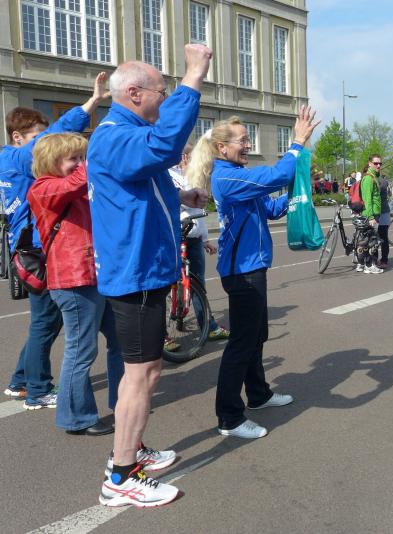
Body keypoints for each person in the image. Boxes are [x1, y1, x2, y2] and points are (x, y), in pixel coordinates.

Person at [88, 45, 212, 507]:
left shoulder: (127, 133)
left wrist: (183, 198)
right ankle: (121, 475)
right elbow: (162, 147)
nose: (166, 97)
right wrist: (193, 77)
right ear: (135, 93)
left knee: (140, 370)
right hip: (135, 273)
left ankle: (131, 448)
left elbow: (142, 183)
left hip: (144, 269)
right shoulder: (115, 134)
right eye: (163, 90)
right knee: (143, 373)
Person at [188, 108, 318, 441]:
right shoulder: (226, 177)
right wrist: (297, 143)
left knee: (256, 336)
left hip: (252, 268)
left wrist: (300, 192)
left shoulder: (237, 174)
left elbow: (270, 208)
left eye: (248, 140)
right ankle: (229, 417)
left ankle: (258, 394)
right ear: (222, 148)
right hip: (241, 272)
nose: (247, 145)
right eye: (243, 140)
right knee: (242, 343)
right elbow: (276, 175)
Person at [2, 73, 108, 408]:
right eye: (37, 138)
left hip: (30, 248)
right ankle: (37, 389)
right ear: (18, 137)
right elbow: (57, 140)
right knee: (46, 325)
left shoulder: (8, 161)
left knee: (45, 322)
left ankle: (21, 381)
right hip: (41, 251)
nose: (43, 143)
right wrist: (91, 104)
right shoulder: (20, 160)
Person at [27, 133, 123, 435]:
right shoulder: (42, 188)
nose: (81, 163)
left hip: (93, 276)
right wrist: (98, 153)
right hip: (74, 280)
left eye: (83, 157)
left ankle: (123, 402)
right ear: (51, 161)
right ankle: (77, 418)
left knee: (120, 340)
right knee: (81, 351)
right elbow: (75, 182)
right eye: (74, 158)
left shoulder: (72, 187)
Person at [169, 141, 230, 343]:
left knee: (198, 283)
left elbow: (198, 211)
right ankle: (163, 334)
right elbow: (181, 202)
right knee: (166, 284)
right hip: (174, 236)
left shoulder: (192, 176)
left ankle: (208, 325)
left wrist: (205, 239)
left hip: (193, 237)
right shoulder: (168, 174)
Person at [356, 154, 383, 273]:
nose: (378, 166)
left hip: (373, 213)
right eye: (376, 163)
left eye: (380, 163)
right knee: (371, 242)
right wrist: (371, 217)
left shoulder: (373, 177)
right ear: (370, 164)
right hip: (370, 214)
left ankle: (362, 264)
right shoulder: (369, 179)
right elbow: (367, 199)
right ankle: (369, 265)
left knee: (366, 241)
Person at [377, 168, 392, 268]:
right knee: (383, 237)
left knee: (377, 238)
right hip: (384, 211)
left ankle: (378, 260)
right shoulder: (384, 181)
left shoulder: (379, 181)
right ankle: (384, 260)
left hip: (380, 212)